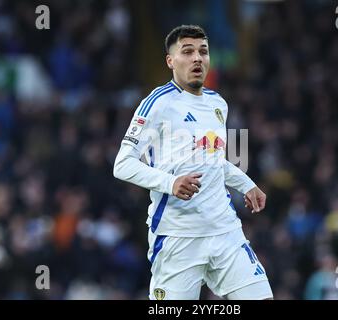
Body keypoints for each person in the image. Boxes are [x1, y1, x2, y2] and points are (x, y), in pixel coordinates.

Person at [113, 25, 273, 300]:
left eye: (203, 51)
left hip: (225, 231)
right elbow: (122, 164)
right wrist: (170, 182)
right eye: (187, 52)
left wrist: (246, 185)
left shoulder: (218, 104)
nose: (197, 58)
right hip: (179, 236)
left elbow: (213, 162)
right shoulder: (158, 104)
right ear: (170, 61)